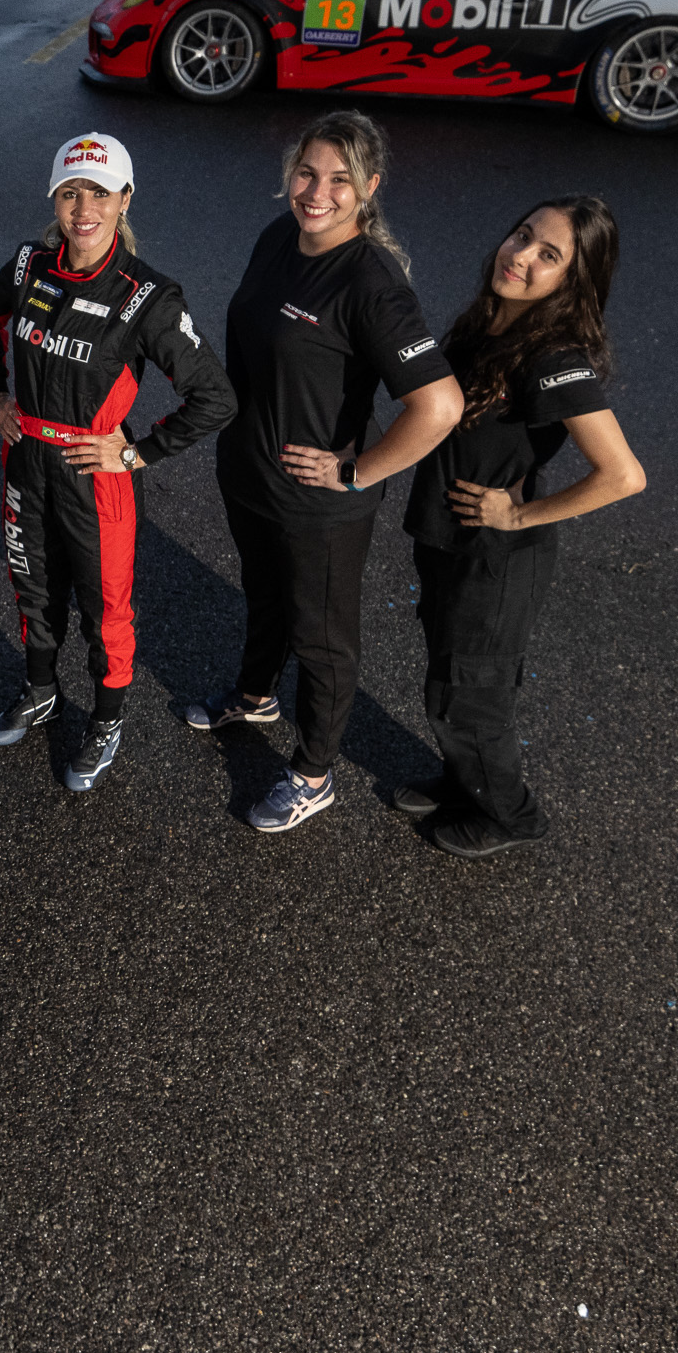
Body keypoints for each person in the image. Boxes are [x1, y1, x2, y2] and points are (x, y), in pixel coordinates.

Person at [188, 110, 463, 832]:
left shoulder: (372, 284)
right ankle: (255, 695)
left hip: (318, 502)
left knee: (322, 638)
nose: (318, 191)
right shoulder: (279, 236)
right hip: (249, 473)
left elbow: (439, 406)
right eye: (307, 172)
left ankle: (313, 773)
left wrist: (358, 472)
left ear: (368, 189)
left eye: (340, 180)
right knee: (264, 594)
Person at [0, 132, 235, 790]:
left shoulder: (148, 295)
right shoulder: (30, 264)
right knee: (32, 587)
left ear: (124, 199)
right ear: (55, 199)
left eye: (99, 191)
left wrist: (138, 452)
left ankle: (107, 720)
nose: (83, 207)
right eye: (69, 191)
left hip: (97, 479)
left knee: (105, 609)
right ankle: (40, 691)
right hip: (25, 462)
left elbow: (215, 397)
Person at [399, 196, 646, 857]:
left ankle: (508, 813)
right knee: (452, 678)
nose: (521, 256)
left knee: (470, 697)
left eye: (548, 256)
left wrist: (517, 513)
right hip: (450, 541)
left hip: (496, 559)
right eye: (522, 235)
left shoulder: (551, 352)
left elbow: (622, 474)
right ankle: (463, 783)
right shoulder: (493, 323)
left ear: (574, 280)